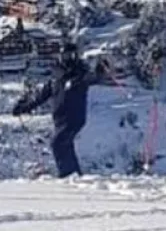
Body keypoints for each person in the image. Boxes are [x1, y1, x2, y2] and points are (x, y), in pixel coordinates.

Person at [12, 44, 103, 178]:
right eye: (64, 56)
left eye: (71, 56)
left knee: (57, 143)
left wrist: (98, 72)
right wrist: (23, 107)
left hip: (74, 118)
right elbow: (41, 96)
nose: (68, 59)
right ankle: (75, 175)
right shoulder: (55, 79)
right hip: (60, 120)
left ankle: (66, 175)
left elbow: (91, 78)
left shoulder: (79, 75)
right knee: (65, 145)